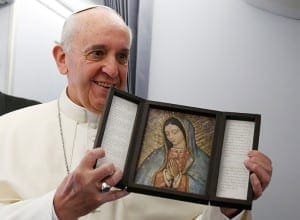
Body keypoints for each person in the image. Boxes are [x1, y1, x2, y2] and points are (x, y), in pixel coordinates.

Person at [0, 5, 272, 220]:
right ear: (62, 59)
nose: (113, 70)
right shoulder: (7, 131)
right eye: (97, 53)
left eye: (122, 56)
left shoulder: (151, 138)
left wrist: (225, 212)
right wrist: (55, 209)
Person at [136, 117, 209, 194]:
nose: (170, 137)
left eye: (174, 132)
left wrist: (179, 177)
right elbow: (142, 179)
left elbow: (204, 189)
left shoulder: (201, 158)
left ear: (185, 132)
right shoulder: (158, 155)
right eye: (167, 134)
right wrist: (167, 176)